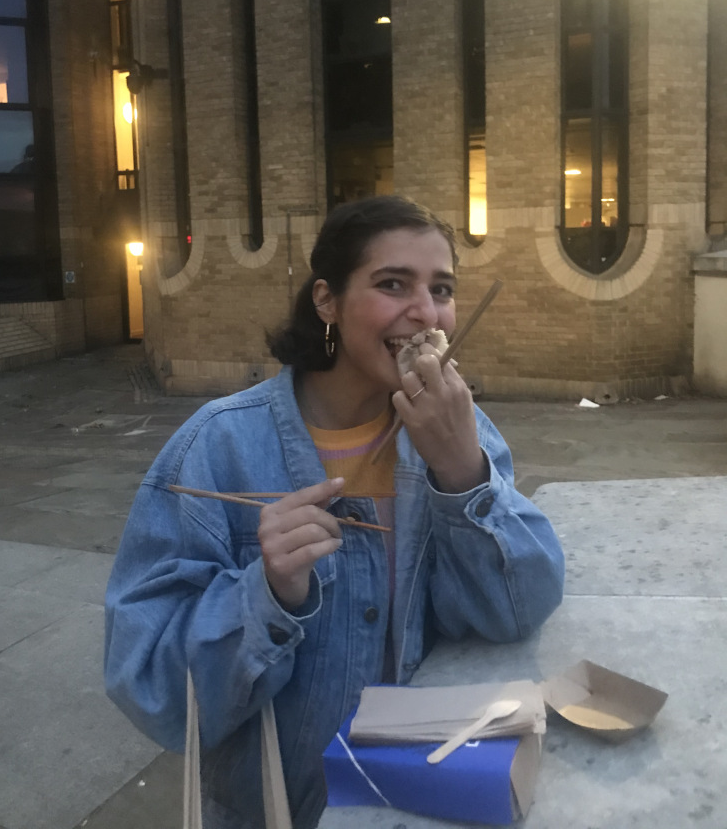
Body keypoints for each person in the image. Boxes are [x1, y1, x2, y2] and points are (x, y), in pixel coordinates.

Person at [104, 195, 565, 829]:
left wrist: (463, 475)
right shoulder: (217, 445)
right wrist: (266, 594)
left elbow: (519, 610)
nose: (425, 312)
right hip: (274, 809)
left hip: (419, 794)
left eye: (441, 289)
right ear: (327, 300)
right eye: (392, 284)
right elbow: (147, 683)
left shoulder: (463, 431)